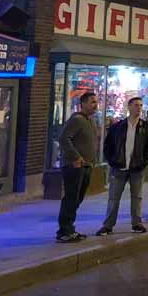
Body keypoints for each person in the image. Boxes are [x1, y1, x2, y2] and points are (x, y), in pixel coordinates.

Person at [97, 96, 148, 236]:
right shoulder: (118, 127)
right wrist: (112, 161)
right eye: (136, 105)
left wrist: (144, 162)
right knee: (114, 197)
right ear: (129, 107)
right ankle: (108, 225)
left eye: (141, 105)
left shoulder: (146, 128)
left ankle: (136, 223)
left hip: (137, 168)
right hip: (119, 167)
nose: (139, 108)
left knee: (137, 197)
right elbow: (108, 146)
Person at [56, 91, 99, 243]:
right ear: (83, 104)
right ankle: (64, 231)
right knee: (71, 197)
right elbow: (63, 139)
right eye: (92, 102)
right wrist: (76, 157)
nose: (95, 105)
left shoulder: (91, 121)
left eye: (96, 102)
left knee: (77, 198)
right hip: (74, 166)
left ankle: (69, 228)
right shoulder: (77, 120)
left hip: (86, 166)